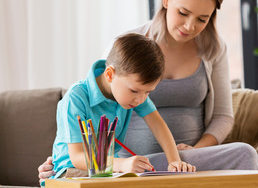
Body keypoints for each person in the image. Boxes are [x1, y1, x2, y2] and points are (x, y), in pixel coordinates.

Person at [39, 0, 258, 184]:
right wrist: (64, 160)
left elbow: (211, 117)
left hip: (186, 158)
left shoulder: (214, 49)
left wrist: (181, 157)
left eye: (202, 19)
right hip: (127, 165)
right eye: (183, 12)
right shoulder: (125, 48)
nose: (190, 26)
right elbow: (82, 130)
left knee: (245, 154)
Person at [50, 33, 195, 180]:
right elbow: (77, 157)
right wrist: (121, 165)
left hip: (108, 172)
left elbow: (158, 124)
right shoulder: (76, 98)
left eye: (148, 92)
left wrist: (174, 161)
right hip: (71, 172)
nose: (140, 99)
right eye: (134, 91)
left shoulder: (134, 93)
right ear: (109, 74)